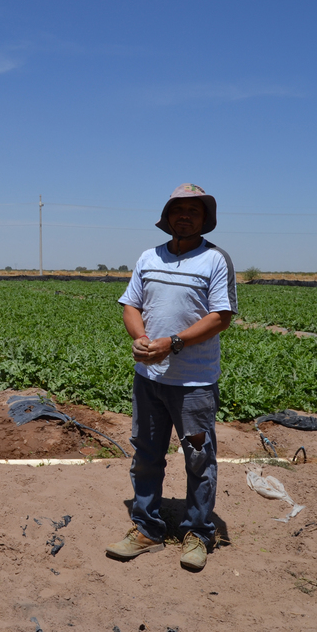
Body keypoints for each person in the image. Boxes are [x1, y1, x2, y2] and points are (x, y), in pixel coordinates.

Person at [105, 183, 236, 572]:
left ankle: (198, 532)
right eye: (178, 209)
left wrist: (174, 343)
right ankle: (147, 529)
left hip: (194, 386)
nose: (185, 216)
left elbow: (221, 317)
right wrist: (140, 338)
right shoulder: (149, 257)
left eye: (194, 211)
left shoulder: (215, 260)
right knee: (146, 456)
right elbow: (131, 305)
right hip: (149, 380)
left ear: (205, 220)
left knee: (198, 459)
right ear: (167, 217)